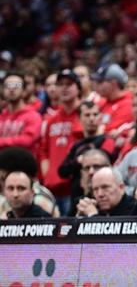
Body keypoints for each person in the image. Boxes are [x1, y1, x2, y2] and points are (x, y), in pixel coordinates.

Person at [40, 69, 83, 215]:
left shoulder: (86, 115)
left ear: (78, 87)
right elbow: (44, 150)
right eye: (60, 84)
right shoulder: (51, 120)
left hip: (74, 186)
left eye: (69, 84)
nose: (64, 88)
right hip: (52, 187)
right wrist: (48, 175)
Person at [0, 147, 60, 218]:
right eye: (10, 188)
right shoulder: (5, 198)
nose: (15, 194)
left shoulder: (40, 199)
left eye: (3, 178)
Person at [0, 72, 42, 155]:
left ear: (24, 91)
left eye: (16, 85)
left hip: (22, 165)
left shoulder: (33, 116)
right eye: (8, 86)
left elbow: (26, 141)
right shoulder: (1, 116)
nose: (12, 89)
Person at [91, 63, 133, 137]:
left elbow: (109, 132)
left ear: (113, 83)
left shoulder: (128, 103)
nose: (97, 86)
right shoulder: (103, 102)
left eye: (100, 82)